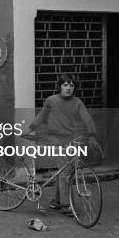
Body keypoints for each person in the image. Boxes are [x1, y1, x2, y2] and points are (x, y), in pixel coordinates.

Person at [26, 73, 96, 216]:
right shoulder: (51, 100)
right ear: (60, 86)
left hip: (69, 139)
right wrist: (30, 129)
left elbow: (87, 119)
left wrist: (92, 135)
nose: (68, 88)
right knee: (65, 171)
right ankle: (65, 205)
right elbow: (41, 116)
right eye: (65, 85)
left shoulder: (77, 102)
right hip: (54, 139)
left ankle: (56, 201)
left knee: (65, 170)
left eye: (71, 85)